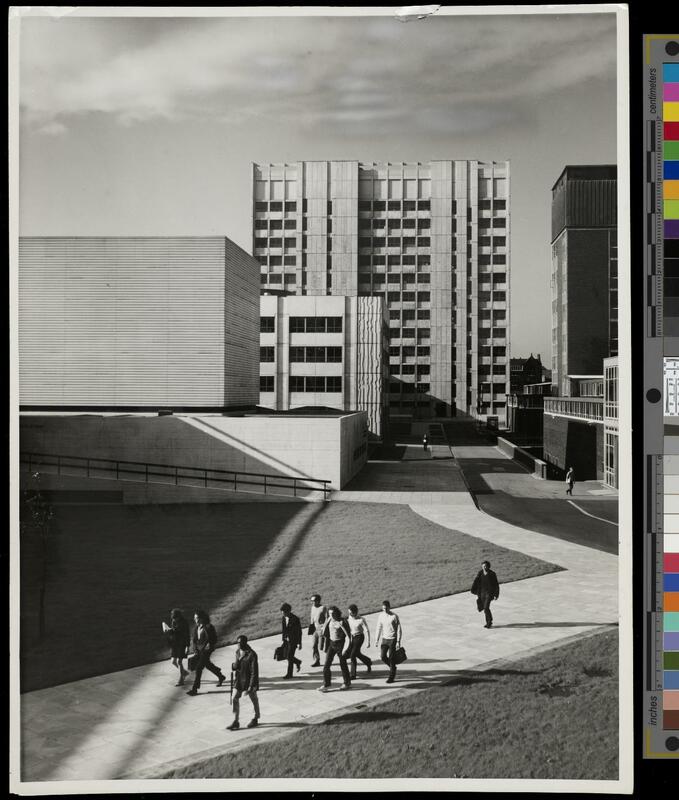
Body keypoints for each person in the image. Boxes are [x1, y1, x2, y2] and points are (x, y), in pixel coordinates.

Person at [186, 609, 226, 696]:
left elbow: (214, 639)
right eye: (194, 618)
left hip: (206, 651)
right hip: (199, 651)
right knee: (207, 664)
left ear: (201, 618)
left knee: (199, 668)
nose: (195, 620)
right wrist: (195, 649)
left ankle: (194, 689)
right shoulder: (196, 628)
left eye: (196, 618)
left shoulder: (209, 627)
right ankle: (221, 676)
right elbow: (195, 640)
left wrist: (209, 644)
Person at [227, 635, 260, 731]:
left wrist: (251, 686)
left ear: (245, 643)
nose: (238, 644)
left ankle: (255, 718)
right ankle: (235, 721)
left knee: (254, 699)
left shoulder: (252, 654)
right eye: (237, 642)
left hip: (249, 680)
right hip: (239, 680)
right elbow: (236, 665)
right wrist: (234, 666)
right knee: (234, 698)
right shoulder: (237, 652)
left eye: (240, 643)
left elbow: (254, 672)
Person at [318, 607, 352, 692]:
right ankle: (327, 683)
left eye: (333, 613)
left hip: (341, 644)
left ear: (337, 613)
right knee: (326, 665)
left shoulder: (342, 622)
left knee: (343, 664)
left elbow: (348, 637)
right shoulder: (329, 619)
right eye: (330, 613)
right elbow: (325, 629)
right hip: (332, 644)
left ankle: (346, 683)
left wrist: (345, 649)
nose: (331, 615)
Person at [374, 600, 402, 684]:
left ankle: (391, 677)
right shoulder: (381, 616)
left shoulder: (394, 616)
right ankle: (392, 667)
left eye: (386, 608)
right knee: (382, 656)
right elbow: (378, 628)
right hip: (384, 639)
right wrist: (376, 639)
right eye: (383, 608)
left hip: (392, 639)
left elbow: (399, 629)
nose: (384, 610)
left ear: (389, 607)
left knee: (391, 658)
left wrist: (398, 641)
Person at [471, 560, 500, 629]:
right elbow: (476, 581)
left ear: (488, 567)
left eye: (486, 566)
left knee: (486, 608)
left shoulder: (492, 574)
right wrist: (473, 590)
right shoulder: (480, 573)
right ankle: (489, 620)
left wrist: (496, 595)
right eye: (483, 566)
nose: (484, 567)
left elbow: (496, 585)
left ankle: (489, 622)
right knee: (485, 608)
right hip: (482, 593)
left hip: (489, 593)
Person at [346, 604, 372, 679]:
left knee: (353, 655)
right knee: (357, 653)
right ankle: (368, 662)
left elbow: (367, 630)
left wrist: (368, 641)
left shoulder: (361, 619)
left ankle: (353, 674)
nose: (349, 614)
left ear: (355, 612)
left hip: (359, 637)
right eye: (349, 613)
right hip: (352, 637)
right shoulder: (349, 618)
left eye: (351, 613)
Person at [167, 608, 190, 686]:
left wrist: (187, 646)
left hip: (182, 644)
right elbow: (174, 631)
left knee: (179, 662)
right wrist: (169, 631)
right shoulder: (174, 621)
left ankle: (181, 680)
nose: (174, 619)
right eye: (173, 618)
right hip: (175, 644)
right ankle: (184, 672)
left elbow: (187, 635)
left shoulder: (184, 623)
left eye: (175, 618)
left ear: (179, 616)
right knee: (173, 661)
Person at [280, 603, 302, 678]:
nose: (283, 614)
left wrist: (299, 643)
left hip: (293, 641)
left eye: (284, 613)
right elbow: (284, 629)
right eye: (282, 613)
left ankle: (289, 674)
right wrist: (284, 639)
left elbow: (299, 632)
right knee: (286, 655)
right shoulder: (283, 618)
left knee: (289, 656)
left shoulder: (295, 619)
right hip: (286, 641)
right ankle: (298, 662)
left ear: (288, 611)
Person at [309, 593, 328, 667]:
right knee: (314, 646)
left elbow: (327, 618)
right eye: (311, 601)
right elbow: (312, 617)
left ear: (318, 601)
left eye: (313, 601)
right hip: (314, 629)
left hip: (321, 629)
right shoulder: (312, 607)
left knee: (322, 647)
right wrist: (311, 626)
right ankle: (317, 660)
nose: (312, 602)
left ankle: (329, 657)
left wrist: (324, 628)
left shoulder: (323, 608)